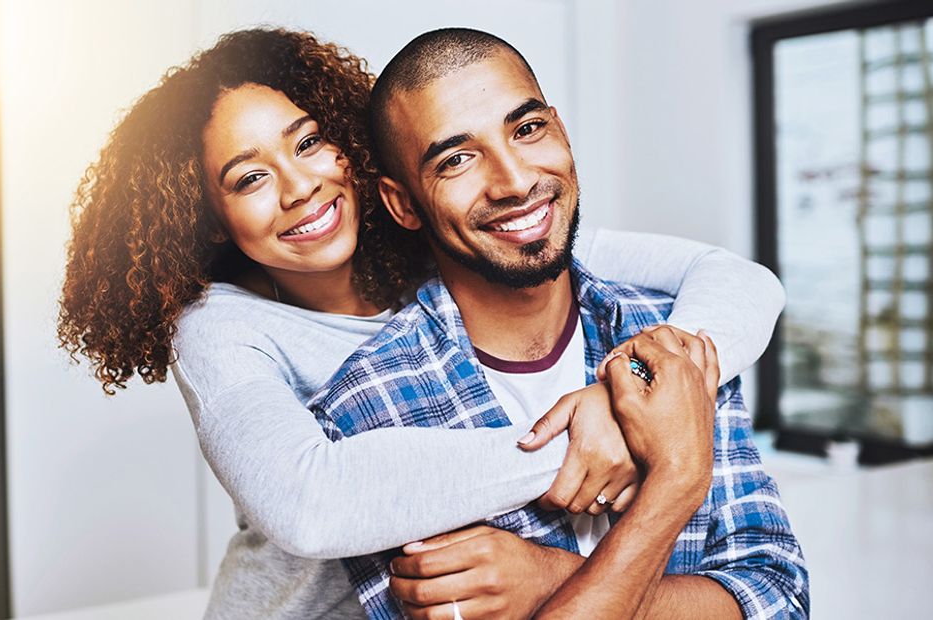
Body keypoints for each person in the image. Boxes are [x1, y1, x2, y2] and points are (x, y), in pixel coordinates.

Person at [56, 29, 787, 620]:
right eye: (249, 178)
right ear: (205, 216)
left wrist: (637, 390)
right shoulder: (222, 331)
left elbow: (733, 279)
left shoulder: (453, 239)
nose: (299, 185)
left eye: (309, 142)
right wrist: (622, 435)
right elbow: (314, 505)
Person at [308, 28, 809, 619]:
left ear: (560, 130)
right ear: (404, 204)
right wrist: (677, 476)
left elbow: (777, 596)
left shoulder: (669, 335)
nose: (516, 180)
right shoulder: (368, 408)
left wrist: (549, 579)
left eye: (526, 130)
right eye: (457, 159)